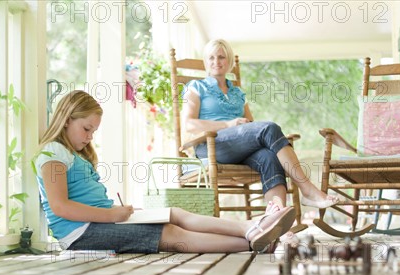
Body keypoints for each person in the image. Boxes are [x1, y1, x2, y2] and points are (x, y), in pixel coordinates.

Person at [34, 90, 296, 254]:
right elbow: (60, 207)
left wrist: (114, 214)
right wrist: (111, 214)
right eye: (86, 128)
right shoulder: (53, 153)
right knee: (171, 234)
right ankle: (254, 241)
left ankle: (249, 227)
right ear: (66, 119)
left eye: (93, 131)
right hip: (81, 233)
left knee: (174, 214)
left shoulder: (72, 154)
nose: (90, 137)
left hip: (99, 221)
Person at [182, 39, 339, 230]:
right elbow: (189, 124)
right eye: (211, 57)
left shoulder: (237, 93)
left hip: (237, 147)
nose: (216, 61)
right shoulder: (196, 88)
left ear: (229, 60)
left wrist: (245, 129)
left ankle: (277, 223)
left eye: (221, 56)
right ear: (205, 61)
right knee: (269, 128)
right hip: (211, 145)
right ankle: (307, 188)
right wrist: (227, 124)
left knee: (269, 156)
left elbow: (251, 124)